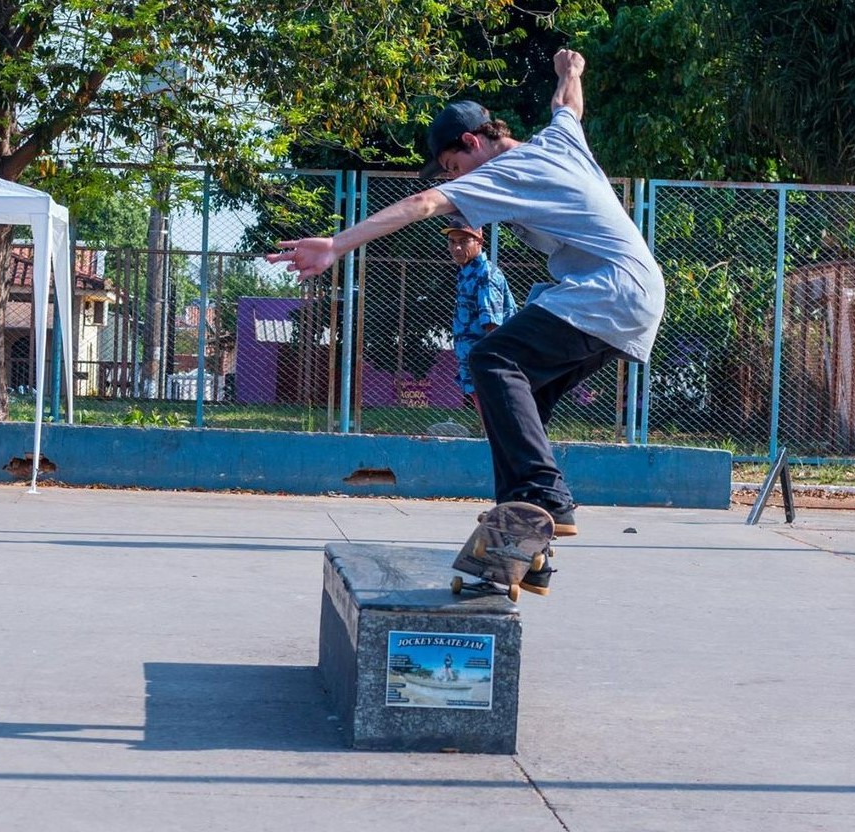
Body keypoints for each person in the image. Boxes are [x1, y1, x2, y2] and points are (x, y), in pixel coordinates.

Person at [268, 49, 665, 594]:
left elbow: (423, 203)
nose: (456, 183)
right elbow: (567, 106)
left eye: (454, 167)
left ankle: (545, 496)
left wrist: (338, 244)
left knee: (491, 359)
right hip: (632, 297)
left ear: (473, 142)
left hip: (605, 291)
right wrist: (571, 72)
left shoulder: (505, 170)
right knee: (520, 409)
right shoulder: (558, 140)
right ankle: (524, 550)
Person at [442, 216, 517, 417]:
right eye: (452, 242)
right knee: (491, 420)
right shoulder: (467, 274)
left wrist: (491, 370)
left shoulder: (485, 275)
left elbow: (493, 327)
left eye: (463, 241)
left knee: (498, 419)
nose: (456, 248)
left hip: (488, 366)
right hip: (474, 364)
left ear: (479, 242)